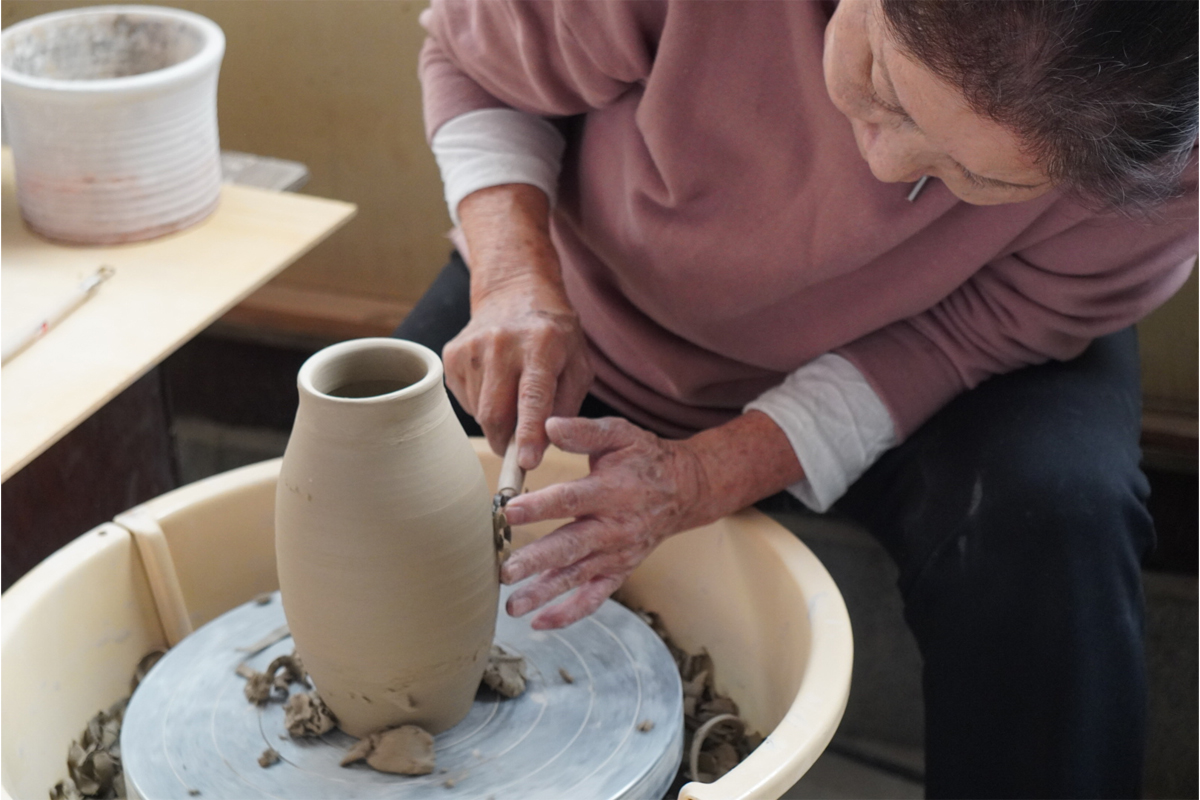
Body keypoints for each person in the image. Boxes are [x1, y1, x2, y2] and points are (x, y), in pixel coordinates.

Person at [397, 1, 1198, 796]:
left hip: (942, 338)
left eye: (979, 177)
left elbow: (985, 326)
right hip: (598, 296)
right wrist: (512, 282)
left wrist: (706, 476)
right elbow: (480, 67)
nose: (882, 168)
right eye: (880, 79)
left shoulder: (1169, 155)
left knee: (1055, 517)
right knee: (369, 451)